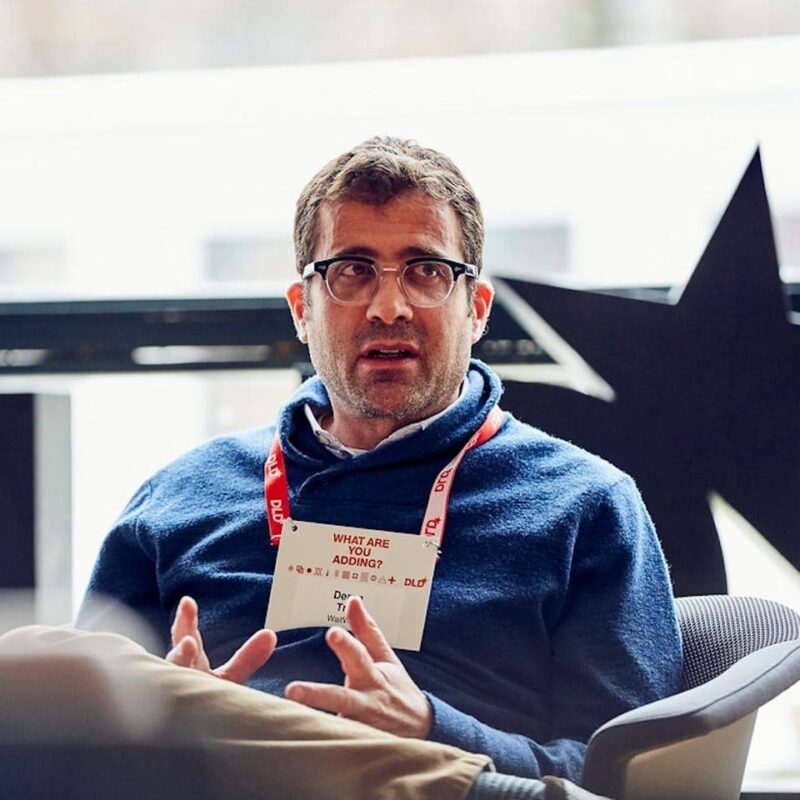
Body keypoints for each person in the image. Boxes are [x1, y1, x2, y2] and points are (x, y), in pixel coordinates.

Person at [70, 136, 681, 797]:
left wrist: (433, 727)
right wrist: (164, 736)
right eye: (352, 270)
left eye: (425, 270)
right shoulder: (180, 498)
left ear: (475, 310)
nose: (389, 307)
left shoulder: (583, 506)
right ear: (302, 310)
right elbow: (63, 737)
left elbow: (634, 775)